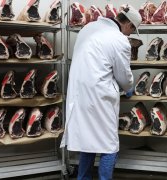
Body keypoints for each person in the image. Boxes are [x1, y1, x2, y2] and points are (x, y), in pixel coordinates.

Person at [60, 5, 142, 180]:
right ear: (128, 25)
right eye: (132, 31)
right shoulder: (119, 39)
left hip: (79, 95)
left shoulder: (88, 28)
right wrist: (129, 88)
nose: (129, 35)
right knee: (108, 145)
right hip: (100, 98)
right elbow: (124, 76)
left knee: (87, 142)